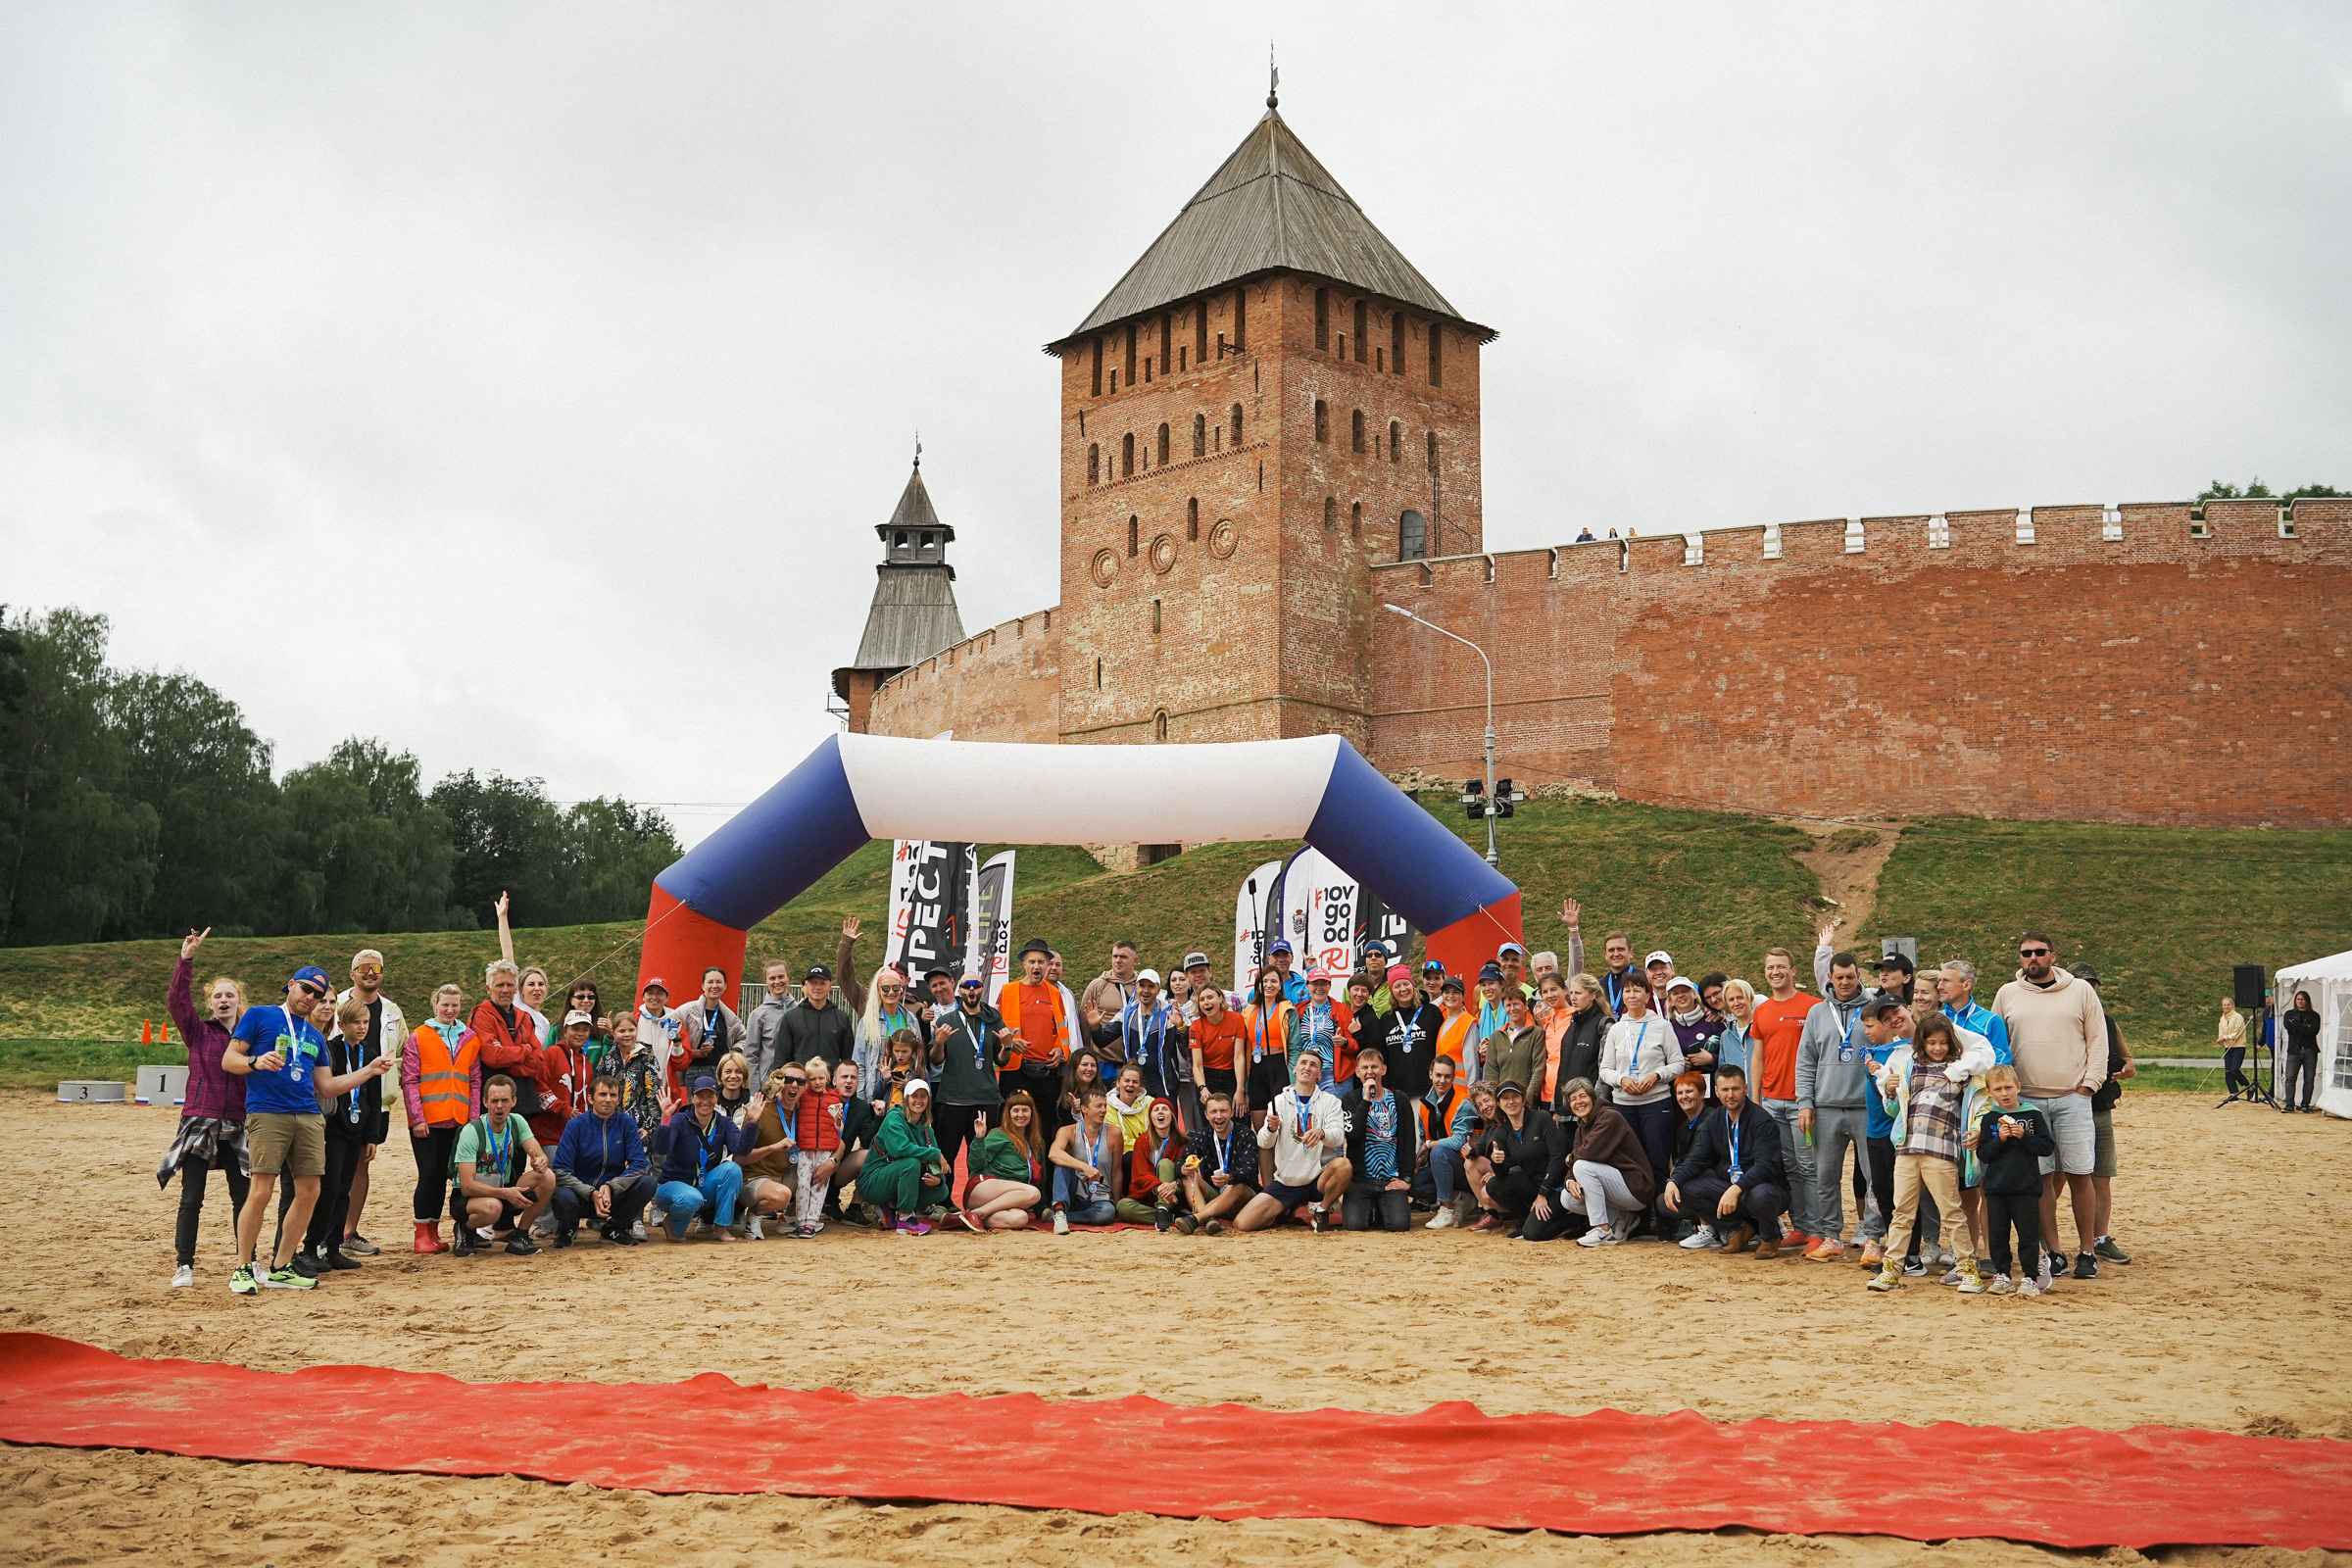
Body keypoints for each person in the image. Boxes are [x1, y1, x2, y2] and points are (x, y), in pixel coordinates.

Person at [222, 965, 396, 1293]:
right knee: (261, 1190)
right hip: (268, 1113)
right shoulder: (260, 1015)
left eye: (318, 994)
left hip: (309, 1116)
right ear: (291, 985)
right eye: (306, 989)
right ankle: (243, 1267)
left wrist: (370, 1071)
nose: (311, 998)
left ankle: (281, 1266)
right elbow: (228, 1059)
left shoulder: (316, 1036)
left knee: (311, 1192)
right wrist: (254, 1063)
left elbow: (328, 1087)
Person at [1992, 931, 2107, 1284]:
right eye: (2026, 953)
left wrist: (2089, 1086)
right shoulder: (2007, 994)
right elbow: (1997, 1043)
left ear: (2053, 956)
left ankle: (2087, 1251)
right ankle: (2054, 1252)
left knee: (2079, 1174)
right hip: (2027, 1103)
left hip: (2072, 1095)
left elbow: (2098, 1040)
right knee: (2039, 1180)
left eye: (2039, 952)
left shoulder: (2080, 991)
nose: (2033, 958)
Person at [1867, 1013, 1985, 1293]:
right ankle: (1891, 1272)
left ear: (1952, 1043)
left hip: (1941, 1151)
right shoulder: (1909, 1067)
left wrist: (1978, 1128)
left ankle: (1969, 1271)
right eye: (1931, 1042)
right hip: (1907, 1150)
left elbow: (1980, 1105)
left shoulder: (1963, 1072)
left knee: (1952, 1213)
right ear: (1922, 1042)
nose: (1937, 1048)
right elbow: (1894, 1111)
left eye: (1943, 1043)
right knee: (1901, 1214)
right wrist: (1891, 1093)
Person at [160, 928, 248, 1288]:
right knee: (191, 1197)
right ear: (210, 1004)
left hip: (240, 1124)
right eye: (217, 996)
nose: (223, 999)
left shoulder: (252, 1036)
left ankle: (249, 1261)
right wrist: (186, 960)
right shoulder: (198, 1032)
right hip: (200, 1121)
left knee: (243, 1198)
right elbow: (177, 1003)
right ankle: (184, 1265)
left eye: (229, 995)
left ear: (240, 1001)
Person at [277, 998, 380, 1275]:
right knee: (328, 1188)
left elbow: (374, 1096)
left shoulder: (370, 1053)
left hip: (356, 1130)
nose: (361, 1028)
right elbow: (326, 1087)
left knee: (344, 1189)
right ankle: (312, 1246)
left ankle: (333, 1247)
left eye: (366, 1023)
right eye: (356, 1022)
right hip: (333, 1128)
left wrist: (372, 1136)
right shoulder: (330, 1049)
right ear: (342, 1024)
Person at [1794, 951, 1873, 1262]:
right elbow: (1805, 1061)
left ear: (1857, 977)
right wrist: (1805, 1104)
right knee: (1825, 1177)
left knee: (1872, 1177)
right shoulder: (1817, 1013)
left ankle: (1873, 1237)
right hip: (1825, 1107)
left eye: (1850, 977)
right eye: (1839, 977)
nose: (1844, 982)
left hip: (1866, 1107)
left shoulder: (1872, 1008)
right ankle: (1831, 1237)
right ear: (1830, 977)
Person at [1665, 1063, 1788, 1256]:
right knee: (1685, 1188)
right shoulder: (1714, 1120)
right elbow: (1697, 1158)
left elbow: (1766, 1166)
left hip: (1764, 1188)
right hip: (1730, 1185)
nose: (1730, 1095)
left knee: (1762, 1195)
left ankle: (1770, 1237)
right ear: (1716, 1091)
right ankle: (1737, 1229)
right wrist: (1674, 1180)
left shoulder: (1762, 1120)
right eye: (1725, 1090)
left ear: (1745, 1089)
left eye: (1735, 1089)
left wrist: (1738, 1188)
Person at [399, 983, 482, 1254]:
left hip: (459, 1121)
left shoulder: (470, 1037)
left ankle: (439, 1232)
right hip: (428, 1122)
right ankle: (423, 1232)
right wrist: (417, 1117)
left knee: (455, 1177)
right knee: (430, 1176)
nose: (450, 1009)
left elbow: (475, 1081)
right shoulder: (418, 1036)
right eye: (445, 1004)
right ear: (435, 1004)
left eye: (455, 1005)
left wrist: (472, 1120)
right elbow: (409, 1080)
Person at [331, 948, 404, 1257]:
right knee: (332, 1165)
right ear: (352, 974)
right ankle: (326, 1233)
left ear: (383, 974)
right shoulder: (334, 1004)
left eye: (376, 968)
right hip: (337, 1098)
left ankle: (348, 1232)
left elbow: (402, 1049)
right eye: (363, 968)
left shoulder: (393, 1011)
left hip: (375, 1102)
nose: (370, 973)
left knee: (362, 1163)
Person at [1598, 974, 1684, 1234]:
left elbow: (1678, 1063)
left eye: (1637, 990)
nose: (1632, 995)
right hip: (1624, 1104)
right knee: (1632, 1164)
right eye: (1627, 991)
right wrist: (1621, 1080)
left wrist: (1657, 1076)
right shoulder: (1616, 1028)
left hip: (1656, 1102)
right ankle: (1640, 1219)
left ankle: (1666, 1221)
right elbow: (1604, 1069)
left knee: (1657, 1161)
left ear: (1648, 996)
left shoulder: (1662, 1026)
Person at [1750, 947, 1819, 1254]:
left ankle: (1820, 1229)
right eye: (1770, 967)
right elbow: (1758, 1057)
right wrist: (1755, 1099)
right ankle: (1801, 1226)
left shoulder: (1812, 1006)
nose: (1775, 972)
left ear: (1793, 971)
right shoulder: (1762, 1010)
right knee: (1788, 1167)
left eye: (1781, 967)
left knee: (1810, 1167)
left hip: (1801, 1102)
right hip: (1772, 1101)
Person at [1236, 1050, 1349, 1232]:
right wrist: (1271, 1129)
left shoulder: (1331, 1102)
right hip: (1287, 1182)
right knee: (1243, 1223)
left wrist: (1322, 1132)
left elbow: (1337, 1138)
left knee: (1343, 1166)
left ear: (1319, 1075)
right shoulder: (1278, 1102)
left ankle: (1322, 1210)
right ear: (1294, 1070)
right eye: (1303, 1063)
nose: (1307, 1067)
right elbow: (1264, 1143)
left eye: (1313, 1065)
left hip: (1317, 1179)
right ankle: (1288, 1207)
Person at [449, 1073, 557, 1257]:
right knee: (493, 1207)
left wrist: (540, 1161)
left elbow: (538, 1153)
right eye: (494, 1101)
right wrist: (506, 1193)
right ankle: (465, 1229)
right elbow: (466, 1186)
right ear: (485, 1102)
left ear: (514, 1101)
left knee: (547, 1176)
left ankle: (520, 1235)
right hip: (470, 1198)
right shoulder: (472, 1131)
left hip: (503, 1189)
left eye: (505, 1100)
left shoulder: (517, 1121)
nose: (499, 1106)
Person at [1975, 1064, 2055, 1295]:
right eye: (1998, 1089)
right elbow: (1984, 1154)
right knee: (1998, 1235)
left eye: (2009, 1087)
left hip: (2026, 1187)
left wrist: (2025, 1136)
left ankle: (2030, 1277)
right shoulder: (1990, 1119)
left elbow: (2046, 1147)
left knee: (2028, 1235)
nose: (2005, 1093)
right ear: (1989, 1092)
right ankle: (2003, 1275)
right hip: (1996, 1188)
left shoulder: (2032, 1115)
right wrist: (1999, 1139)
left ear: (2018, 1087)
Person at [2076, 964, 2136, 1265]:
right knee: (2059, 1175)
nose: (2090, 989)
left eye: (2093, 985)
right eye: (2084, 983)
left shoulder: (2108, 1023)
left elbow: (2129, 1064)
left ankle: (2100, 1239)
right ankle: (2045, 1239)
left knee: (2101, 1176)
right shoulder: (2065, 1020)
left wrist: (2122, 1072)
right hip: (2071, 1104)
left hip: (2100, 1107)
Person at [549, 1072, 654, 1246]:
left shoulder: (626, 1123)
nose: (608, 1100)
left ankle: (613, 1229)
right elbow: (560, 1170)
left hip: (612, 1195)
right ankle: (568, 1228)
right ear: (591, 1099)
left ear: (618, 1099)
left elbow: (640, 1164)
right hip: (581, 1195)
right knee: (562, 1194)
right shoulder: (575, 1125)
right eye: (602, 1094)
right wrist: (590, 1193)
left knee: (647, 1182)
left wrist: (611, 1187)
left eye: (613, 1095)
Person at [932, 971, 1015, 1184]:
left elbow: (1002, 1060)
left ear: (982, 990)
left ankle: (978, 1199)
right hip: (953, 1098)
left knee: (981, 1155)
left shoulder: (994, 1019)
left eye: (975, 985)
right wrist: (939, 1042)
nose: (971, 989)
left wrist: (1007, 1045)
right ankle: (944, 1202)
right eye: (966, 985)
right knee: (947, 1153)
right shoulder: (946, 1020)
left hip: (985, 1099)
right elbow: (936, 1060)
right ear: (959, 991)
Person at [652, 1074, 749, 1242]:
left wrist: (752, 1123)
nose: (705, 1101)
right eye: (700, 1096)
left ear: (716, 1098)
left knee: (733, 1169)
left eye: (710, 1096)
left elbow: (742, 1149)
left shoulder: (724, 1122)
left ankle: (721, 1228)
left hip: (702, 1186)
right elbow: (662, 1148)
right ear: (692, 1097)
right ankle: (671, 1221)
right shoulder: (680, 1120)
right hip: (672, 1186)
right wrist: (666, 1119)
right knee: (691, 1198)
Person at [1557, 1078, 1651, 1247]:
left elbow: (1588, 1153)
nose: (1579, 1102)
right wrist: (1570, 1181)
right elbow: (1579, 1159)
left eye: (1583, 1096)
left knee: (1582, 1166)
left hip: (1636, 1187)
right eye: (1573, 1099)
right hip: (1617, 1190)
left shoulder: (1609, 1117)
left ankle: (1603, 1229)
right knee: (1567, 1198)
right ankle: (1622, 1217)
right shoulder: (1581, 1128)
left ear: (1592, 1097)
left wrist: (1571, 1158)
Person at [1334, 1045, 1418, 1232]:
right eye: (1365, 1068)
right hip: (1361, 1181)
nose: (1370, 1072)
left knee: (1399, 1225)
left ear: (1383, 1069)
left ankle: (1382, 1208)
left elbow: (1408, 1141)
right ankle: (1365, 1207)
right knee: (1354, 1225)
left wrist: (1406, 1178)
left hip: (1390, 1180)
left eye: (1374, 1067)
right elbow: (1353, 1135)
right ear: (1357, 1072)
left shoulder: (1399, 1099)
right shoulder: (1351, 1099)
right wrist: (1366, 1100)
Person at [1098, 968, 1194, 1132]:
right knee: (1136, 1129)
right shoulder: (1127, 1013)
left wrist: (1182, 1027)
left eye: (1151, 986)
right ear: (1137, 987)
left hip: (1163, 1082)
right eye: (1142, 986)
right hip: (1134, 1083)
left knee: (1167, 1129)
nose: (1146, 990)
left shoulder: (1170, 1012)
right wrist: (1094, 1027)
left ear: (1158, 989)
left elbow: (1189, 1045)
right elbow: (1102, 1040)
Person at [1470, 1079, 1564, 1237]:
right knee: (1493, 1185)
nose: (1511, 1101)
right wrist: (1496, 1162)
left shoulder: (1541, 1118)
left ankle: (1573, 1220)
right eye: (1505, 1098)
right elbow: (1502, 1174)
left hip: (1555, 1187)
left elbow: (1558, 1157)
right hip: (1531, 1186)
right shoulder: (1501, 1132)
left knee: (1533, 1234)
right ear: (1499, 1104)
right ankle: (1524, 1218)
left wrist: (1543, 1194)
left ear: (1523, 1099)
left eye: (1515, 1097)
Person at [998, 940, 1072, 1140]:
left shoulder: (1054, 993)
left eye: (1041, 962)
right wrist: (1011, 1043)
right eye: (1032, 961)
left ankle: (1042, 1170)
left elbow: (1062, 1028)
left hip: (1046, 1070)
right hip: (1016, 1068)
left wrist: (1059, 1050)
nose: (1036, 966)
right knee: (1013, 1125)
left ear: (1048, 965)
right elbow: (997, 1028)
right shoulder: (1009, 990)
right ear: (1024, 964)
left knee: (1044, 1126)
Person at [472, 959, 550, 1140]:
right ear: (488, 988)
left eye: (510, 985)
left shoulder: (524, 1017)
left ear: (516, 988)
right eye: (500, 985)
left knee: (519, 1158)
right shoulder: (481, 1015)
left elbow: (537, 1060)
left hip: (524, 1099)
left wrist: (508, 1056)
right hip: (494, 1100)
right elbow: (492, 1057)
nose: (505, 990)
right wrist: (524, 1050)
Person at [861, 1077, 952, 1232]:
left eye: (923, 1096)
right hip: (874, 1181)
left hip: (898, 1179)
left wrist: (938, 1180)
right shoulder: (894, 1117)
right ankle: (905, 1218)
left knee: (942, 1190)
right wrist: (935, 1153)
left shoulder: (927, 1128)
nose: (919, 1100)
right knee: (911, 1163)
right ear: (906, 1098)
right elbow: (899, 1149)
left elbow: (937, 1166)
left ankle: (889, 1206)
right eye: (914, 1096)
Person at [962, 1089, 1048, 1230]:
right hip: (983, 1188)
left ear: (1032, 1113)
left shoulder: (1036, 1143)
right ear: (1008, 1113)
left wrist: (1042, 1209)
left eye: (1025, 1110)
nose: (1020, 1115)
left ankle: (968, 1218)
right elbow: (974, 1164)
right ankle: (979, 1212)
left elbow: (1041, 1178)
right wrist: (979, 1138)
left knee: (1020, 1218)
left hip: (1008, 1198)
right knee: (1032, 1193)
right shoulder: (999, 1135)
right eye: (1015, 1110)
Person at [733, 1066, 802, 1239]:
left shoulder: (802, 1112)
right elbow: (740, 1158)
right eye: (788, 1079)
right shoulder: (761, 1110)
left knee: (821, 1168)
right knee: (782, 1195)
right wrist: (773, 1147)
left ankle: (789, 1219)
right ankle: (753, 1217)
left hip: (784, 1174)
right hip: (754, 1179)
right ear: (778, 1081)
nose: (794, 1085)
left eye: (800, 1081)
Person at [1049, 1083, 1125, 1231]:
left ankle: (1064, 1216)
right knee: (1061, 1164)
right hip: (1074, 1193)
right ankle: (1059, 1212)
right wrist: (1085, 1167)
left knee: (1106, 1213)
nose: (1103, 1110)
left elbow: (1116, 1172)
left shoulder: (1114, 1133)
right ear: (1084, 1109)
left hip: (1100, 1197)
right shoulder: (1068, 1131)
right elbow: (1053, 1153)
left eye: (1105, 1106)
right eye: (1098, 1106)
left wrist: (1117, 1203)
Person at [1183, 1091, 1257, 1233]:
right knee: (1188, 1176)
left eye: (1223, 1111)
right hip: (1215, 1197)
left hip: (1241, 1201)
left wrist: (1230, 1178)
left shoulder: (1246, 1134)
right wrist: (1184, 1168)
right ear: (1206, 1115)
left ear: (1232, 1112)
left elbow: (1250, 1169)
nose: (1218, 1116)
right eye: (1213, 1112)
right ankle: (1209, 1219)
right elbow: (1181, 1162)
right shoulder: (1202, 1135)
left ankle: (1198, 1218)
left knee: (1238, 1185)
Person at [850, 963, 926, 1100]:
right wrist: (862, 1097)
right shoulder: (868, 1021)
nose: (891, 992)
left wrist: (911, 1084)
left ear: (901, 989)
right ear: (878, 990)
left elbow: (919, 1057)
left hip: (905, 1090)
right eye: (885, 988)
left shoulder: (911, 1019)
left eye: (896, 988)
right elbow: (859, 1062)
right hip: (876, 1091)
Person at [787, 1058, 845, 1236]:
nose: (817, 1082)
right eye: (812, 1079)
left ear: (827, 1078)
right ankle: (800, 1222)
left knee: (819, 1186)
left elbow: (840, 1128)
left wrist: (838, 1124)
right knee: (803, 1185)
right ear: (807, 1081)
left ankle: (811, 1223)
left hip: (826, 1149)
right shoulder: (802, 1097)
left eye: (821, 1078)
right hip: (805, 1148)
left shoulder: (835, 1098)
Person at [1410, 1054, 1470, 1224]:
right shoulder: (1424, 1104)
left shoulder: (1462, 1102)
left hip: (1466, 1168)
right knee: (1413, 1181)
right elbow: (1423, 1140)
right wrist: (1417, 1163)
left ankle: (1447, 1208)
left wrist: (1430, 1145)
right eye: (1438, 1075)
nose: (1442, 1080)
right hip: (1441, 1165)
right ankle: (1461, 1197)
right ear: (1430, 1074)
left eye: (1447, 1076)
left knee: (1438, 1151)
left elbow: (1459, 1141)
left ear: (1454, 1077)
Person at [1115, 1097, 1190, 1229]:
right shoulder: (1141, 1141)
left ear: (1172, 1116)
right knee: (1123, 1206)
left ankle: (1163, 1209)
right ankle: (1171, 1216)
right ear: (1151, 1117)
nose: (1160, 1112)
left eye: (1165, 1109)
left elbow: (1186, 1176)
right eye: (1156, 1109)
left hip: (1175, 1197)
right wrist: (1159, 1187)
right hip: (1149, 1196)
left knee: (1165, 1163)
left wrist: (1174, 1186)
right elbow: (1140, 1175)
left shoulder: (1182, 1142)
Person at [1241, 967, 1298, 1134]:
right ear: (1258, 985)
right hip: (1256, 1070)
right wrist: (1245, 1087)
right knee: (1262, 1132)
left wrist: (1293, 1082)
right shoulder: (1249, 1012)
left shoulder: (1287, 1010)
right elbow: (1243, 1051)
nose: (1269, 985)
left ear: (1280, 985)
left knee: (1281, 1129)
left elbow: (1294, 1048)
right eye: (1264, 981)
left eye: (1274, 981)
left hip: (1279, 1067)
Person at [1187, 980, 1250, 1125]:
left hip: (1231, 1075)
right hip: (1208, 1077)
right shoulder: (1196, 1027)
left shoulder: (1236, 1019)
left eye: (1210, 997)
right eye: (1202, 999)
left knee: (1239, 1119)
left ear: (1220, 998)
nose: (1206, 1002)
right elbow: (1197, 1065)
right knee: (1211, 1124)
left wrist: (1240, 1089)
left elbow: (1239, 1057)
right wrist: (1202, 1088)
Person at [778, 962, 856, 1076]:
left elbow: (848, 1059)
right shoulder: (791, 1018)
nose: (818, 987)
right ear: (805, 985)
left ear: (830, 986)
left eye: (823, 983)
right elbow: (781, 1059)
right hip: (800, 1087)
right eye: (813, 982)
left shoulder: (841, 1018)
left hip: (831, 1089)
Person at [673, 966, 747, 1080]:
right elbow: (673, 1041)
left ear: (725, 986)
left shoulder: (730, 1017)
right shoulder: (685, 1011)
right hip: (694, 1071)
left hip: (722, 1072)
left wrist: (734, 1052)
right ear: (703, 985)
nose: (714, 986)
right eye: (710, 982)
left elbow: (744, 1038)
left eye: (719, 982)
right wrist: (698, 1053)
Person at [1936, 960, 2012, 1064]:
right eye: (1939, 980)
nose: (1939, 986)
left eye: (1946, 981)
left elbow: (2002, 1062)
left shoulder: (1991, 1021)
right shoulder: (1936, 1019)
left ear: (1966, 985)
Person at [1081, 940, 1144, 1054]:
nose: (1118, 960)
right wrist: (1087, 1052)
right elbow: (1084, 1022)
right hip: (1104, 1061)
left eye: (1123, 957)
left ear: (1135, 960)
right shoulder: (1097, 985)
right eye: (1115, 956)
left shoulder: (1143, 986)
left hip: (1136, 1060)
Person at [743, 958, 799, 1086]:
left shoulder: (799, 1010)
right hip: (769, 1082)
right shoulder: (758, 1014)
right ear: (766, 981)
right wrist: (754, 1089)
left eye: (781, 977)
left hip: (796, 1082)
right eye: (772, 978)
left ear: (788, 977)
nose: (777, 982)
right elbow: (751, 1055)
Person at [635, 978, 691, 1102]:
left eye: (660, 993)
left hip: (665, 1094)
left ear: (667, 998)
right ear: (643, 997)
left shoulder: (676, 1024)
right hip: (635, 1091)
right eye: (650, 993)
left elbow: (682, 1064)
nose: (654, 997)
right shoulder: (634, 1020)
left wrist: (677, 1042)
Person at [1481, 989, 1544, 1099]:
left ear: (1525, 1006)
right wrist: (1496, 1100)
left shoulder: (1536, 1033)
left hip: (1526, 1101)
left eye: (1516, 1004)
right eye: (1508, 1005)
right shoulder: (1497, 1036)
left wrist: (1528, 1098)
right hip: (1502, 1101)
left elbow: (1538, 1070)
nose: (1512, 1009)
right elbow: (1491, 1072)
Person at [1663, 975, 1722, 1089]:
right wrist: (1678, 1065)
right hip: (1684, 1093)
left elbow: (1732, 1055)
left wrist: (1711, 1059)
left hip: (1715, 1091)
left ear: (1694, 994)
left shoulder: (1713, 1020)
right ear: (1670, 1001)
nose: (1681, 995)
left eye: (1685, 991)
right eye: (1675, 993)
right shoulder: (1668, 1028)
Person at [2282, 989, 2323, 1113]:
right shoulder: (2289, 1014)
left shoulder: (2314, 1015)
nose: (2300, 1001)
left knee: (2309, 1078)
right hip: (2294, 1050)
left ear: (2307, 1001)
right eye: (2298, 999)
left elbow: (2314, 1031)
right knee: (2290, 1077)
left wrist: (2297, 1027)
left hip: (2309, 1050)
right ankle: (2289, 1103)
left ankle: (2305, 1103)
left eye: (2302, 999)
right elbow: (2288, 1027)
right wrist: (2305, 1026)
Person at [1714, 978, 1759, 1088]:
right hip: (1737, 1100)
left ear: (1751, 999)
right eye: (1731, 1000)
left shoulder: (1764, 1029)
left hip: (1765, 1098)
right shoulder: (1726, 1036)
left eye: (1740, 997)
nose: (1736, 1003)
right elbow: (1724, 1071)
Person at [1596, 931, 1638, 1018]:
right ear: (1606, 955)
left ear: (1631, 953)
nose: (1616, 954)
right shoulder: (1599, 985)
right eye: (1611, 950)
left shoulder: (1644, 978)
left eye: (1620, 949)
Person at [2218, 997, 2250, 1095]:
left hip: (2239, 1046)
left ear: (2232, 1005)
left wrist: (2225, 1037)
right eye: (2224, 1005)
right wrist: (2220, 1038)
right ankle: (2233, 1094)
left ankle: (2249, 1087)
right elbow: (2221, 1031)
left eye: (2228, 1005)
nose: (2226, 1007)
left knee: (2234, 1070)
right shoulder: (2222, 1018)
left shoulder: (2238, 1017)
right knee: (2228, 1071)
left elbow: (2237, 1033)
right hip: (2228, 1047)